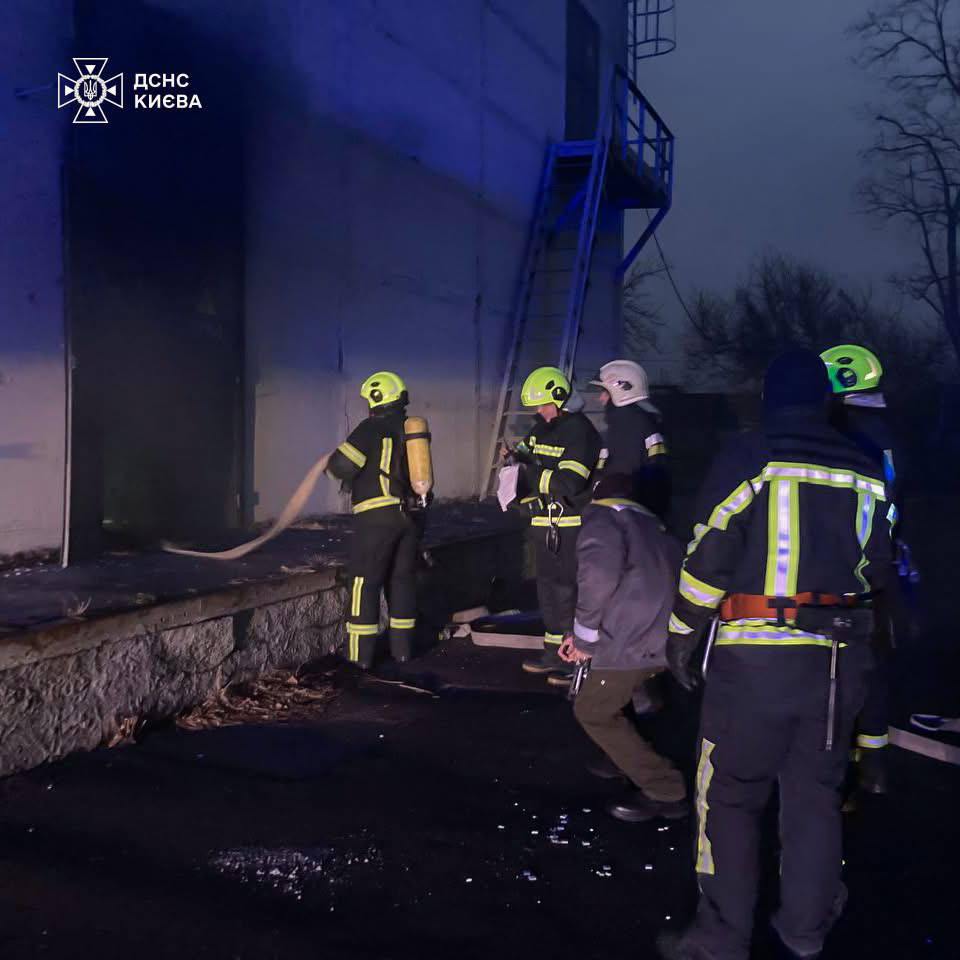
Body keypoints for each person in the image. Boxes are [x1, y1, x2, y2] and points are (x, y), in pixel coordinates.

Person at [658, 349, 895, 960]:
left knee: (730, 798)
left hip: (756, 661)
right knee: (814, 801)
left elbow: (709, 552)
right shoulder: (865, 467)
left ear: (769, 399)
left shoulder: (752, 453)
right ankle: (804, 932)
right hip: (837, 663)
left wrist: (682, 632)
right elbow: (880, 568)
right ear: (824, 400)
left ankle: (721, 936)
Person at [559, 471, 687, 822]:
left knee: (593, 710)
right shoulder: (654, 525)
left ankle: (665, 789)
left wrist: (584, 640)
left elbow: (598, 578)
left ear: (596, 495)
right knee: (624, 697)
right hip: (660, 636)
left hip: (631, 639)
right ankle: (620, 758)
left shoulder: (603, 518)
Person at [821, 344, 899, 795]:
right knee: (874, 661)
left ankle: (845, 772)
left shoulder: (843, 431)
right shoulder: (888, 427)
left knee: (844, 661)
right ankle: (873, 763)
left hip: (856, 561)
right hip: (889, 560)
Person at [507, 366, 602, 683]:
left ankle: (575, 660)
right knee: (547, 590)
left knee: (568, 591)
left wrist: (530, 473)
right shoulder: (541, 428)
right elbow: (525, 454)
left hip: (569, 523)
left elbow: (570, 483)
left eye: (543, 405)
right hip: (543, 522)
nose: (539, 412)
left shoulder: (580, 432)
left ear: (560, 398)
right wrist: (513, 460)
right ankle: (553, 654)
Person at [325, 371, 425, 669]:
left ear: (376, 398)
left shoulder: (370, 428)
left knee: (363, 583)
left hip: (377, 517)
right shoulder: (411, 430)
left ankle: (359, 658)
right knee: (401, 582)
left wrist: (330, 466)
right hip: (411, 517)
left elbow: (342, 466)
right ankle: (403, 652)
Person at [591, 359, 671, 518]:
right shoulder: (624, 425)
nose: (600, 399)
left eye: (605, 393)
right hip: (624, 517)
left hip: (624, 518)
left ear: (621, 391)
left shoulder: (631, 426)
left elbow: (621, 478)